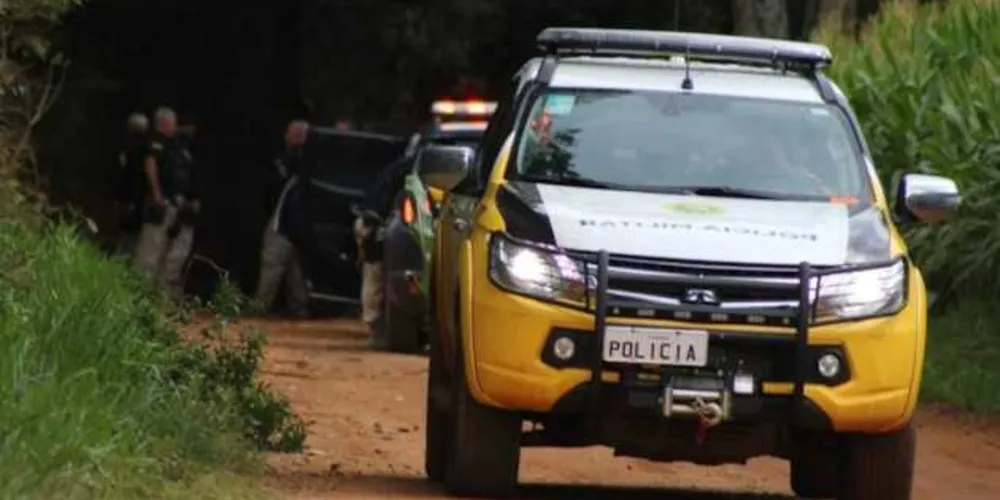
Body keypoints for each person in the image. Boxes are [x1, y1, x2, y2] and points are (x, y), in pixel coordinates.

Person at [354, 130, 422, 346]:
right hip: (381, 225)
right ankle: (375, 328)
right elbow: (375, 207)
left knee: (374, 275)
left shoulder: (400, 169)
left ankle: (375, 328)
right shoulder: (403, 172)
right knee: (374, 273)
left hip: (386, 226)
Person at [131, 106, 198, 301]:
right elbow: (150, 164)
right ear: (166, 123)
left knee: (174, 252)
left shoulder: (177, 146)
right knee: (150, 250)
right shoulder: (155, 143)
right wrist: (156, 193)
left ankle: (162, 295)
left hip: (179, 205)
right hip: (162, 203)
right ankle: (139, 294)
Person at [253, 119, 312, 318]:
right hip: (295, 224)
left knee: (275, 264)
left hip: (285, 223)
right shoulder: (289, 160)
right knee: (293, 266)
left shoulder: (300, 163)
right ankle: (298, 305)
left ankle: (262, 306)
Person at [112, 111, 149, 260]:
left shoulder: (131, 148)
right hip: (134, 198)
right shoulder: (141, 150)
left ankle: (122, 259)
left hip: (129, 197)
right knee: (130, 234)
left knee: (127, 233)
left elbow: (125, 175)